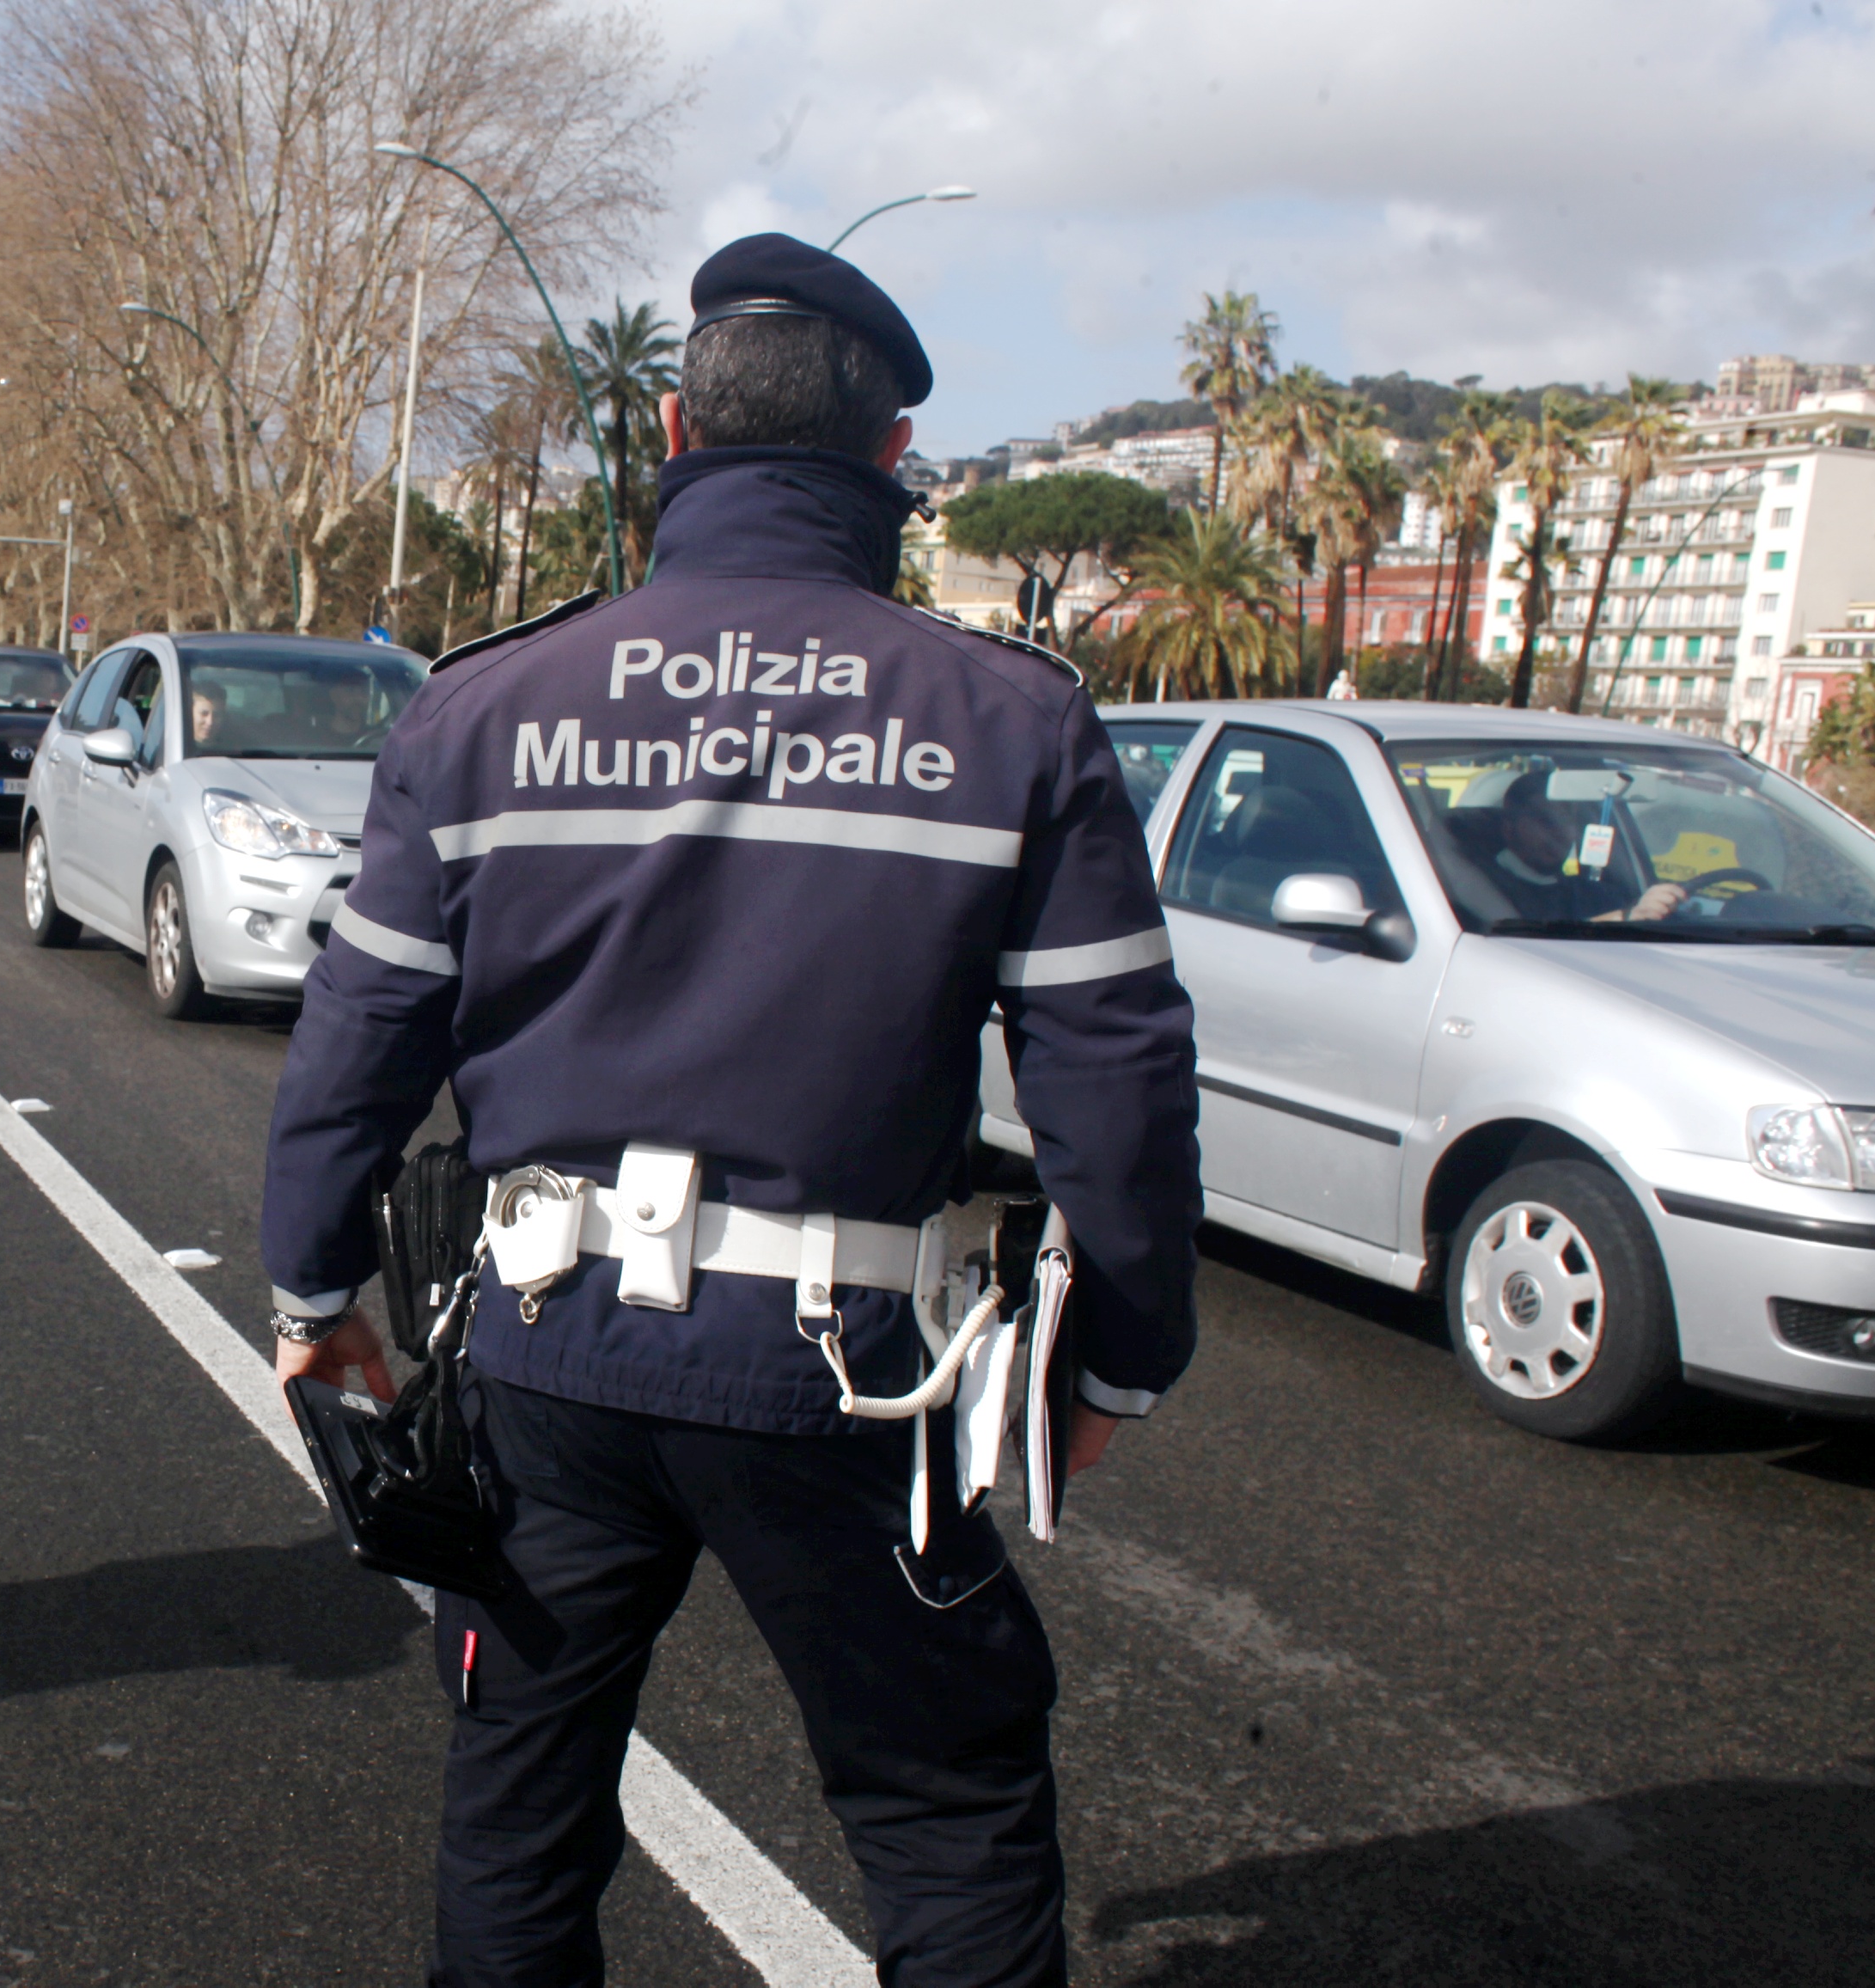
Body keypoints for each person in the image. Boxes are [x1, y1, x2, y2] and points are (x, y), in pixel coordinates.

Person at [260, 234, 1202, 1985]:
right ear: (895, 458)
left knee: (520, 1802)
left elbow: (360, 1031)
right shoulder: (1012, 718)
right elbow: (1119, 1078)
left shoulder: (482, 706)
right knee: (945, 1806)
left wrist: (313, 1290)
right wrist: (1117, 1361)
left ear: (678, 433)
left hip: (544, 1351)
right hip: (847, 1376)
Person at [1487, 769, 1681, 923]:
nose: (1560, 832)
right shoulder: (1485, 888)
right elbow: (1529, 942)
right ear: (1509, 828)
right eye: (1545, 821)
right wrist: (1627, 917)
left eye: (1567, 821)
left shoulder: (1592, 894)